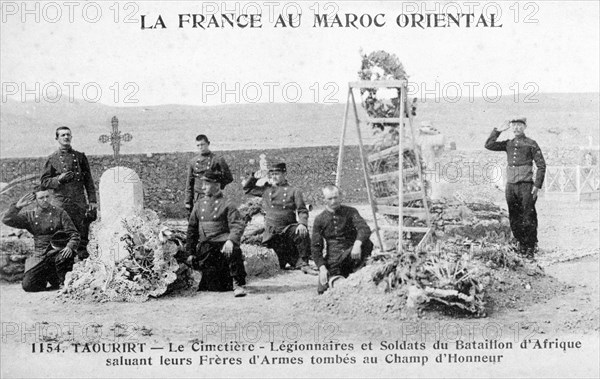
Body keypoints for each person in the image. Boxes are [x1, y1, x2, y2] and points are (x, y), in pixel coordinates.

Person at [484, 117, 546, 259]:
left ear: (525, 127)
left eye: (519, 125)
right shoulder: (508, 144)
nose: (516, 128)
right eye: (514, 125)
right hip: (511, 186)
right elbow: (488, 145)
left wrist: (537, 186)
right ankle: (520, 244)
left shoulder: (531, 144)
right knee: (514, 216)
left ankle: (530, 246)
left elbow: (541, 165)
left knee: (528, 216)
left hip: (526, 186)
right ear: (511, 127)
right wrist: (498, 130)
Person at [2, 188, 80, 292]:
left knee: (64, 258)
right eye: (41, 198)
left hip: (58, 251)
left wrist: (70, 246)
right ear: (36, 200)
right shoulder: (30, 215)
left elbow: (74, 234)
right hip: (41, 255)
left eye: (47, 197)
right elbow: (7, 220)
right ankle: (48, 278)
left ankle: (61, 281)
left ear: (51, 197)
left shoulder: (60, 213)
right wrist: (17, 207)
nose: (45, 200)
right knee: (28, 285)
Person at [242, 162, 315, 273]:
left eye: (277, 173)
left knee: (301, 232)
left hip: (288, 229)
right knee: (278, 263)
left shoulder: (294, 191)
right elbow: (247, 189)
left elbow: (302, 210)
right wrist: (254, 177)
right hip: (272, 233)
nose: (274, 176)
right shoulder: (266, 189)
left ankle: (304, 263)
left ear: (284, 174)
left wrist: (302, 223)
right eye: (272, 174)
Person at [186, 170, 247, 297]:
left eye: (206, 184)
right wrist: (190, 252)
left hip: (223, 246)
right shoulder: (198, 205)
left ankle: (237, 284)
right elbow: (192, 229)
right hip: (207, 248)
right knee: (212, 286)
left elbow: (237, 225)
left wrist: (231, 240)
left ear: (217, 185)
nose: (202, 187)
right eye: (202, 184)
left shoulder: (228, 204)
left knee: (233, 251)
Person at [40, 126, 97, 260]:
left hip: (79, 202)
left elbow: (88, 180)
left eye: (68, 135)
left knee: (82, 234)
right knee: (61, 236)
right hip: (61, 203)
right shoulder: (52, 158)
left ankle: (82, 269)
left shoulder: (80, 157)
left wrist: (92, 201)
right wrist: (58, 179)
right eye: (62, 135)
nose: (66, 137)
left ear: (71, 137)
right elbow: (44, 182)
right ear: (57, 138)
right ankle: (62, 269)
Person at [311, 185, 373, 294]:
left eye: (336, 197)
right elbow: (316, 247)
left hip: (352, 254)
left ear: (340, 197)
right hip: (333, 259)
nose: (334, 201)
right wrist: (322, 268)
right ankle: (338, 279)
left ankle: (357, 273)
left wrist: (357, 245)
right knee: (322, 289)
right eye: (330, 199)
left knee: (366, 243)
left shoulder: (351, 212)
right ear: (324, 200)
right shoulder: (319, 219)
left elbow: (364, 228)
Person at [185, 134, 234, 212]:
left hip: (213, 196)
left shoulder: (217, 159)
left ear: (208, 144)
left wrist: (217, 185)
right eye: (198, 145)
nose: (200, 147)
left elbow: (229, 177)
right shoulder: (193, 162)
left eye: (202, 144)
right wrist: (188, 201)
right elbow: (189, 183)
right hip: (198, 197)